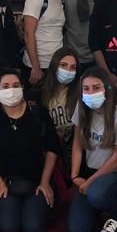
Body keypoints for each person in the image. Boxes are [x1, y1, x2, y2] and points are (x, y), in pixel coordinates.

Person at [0, 69, 60, 232]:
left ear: (22, 87)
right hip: (6, 182)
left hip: (36, 182)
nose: (11, 90)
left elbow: (52, 147)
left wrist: (45, 182)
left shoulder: (37, 111)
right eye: (5, 86)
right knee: (8, 227)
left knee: (34, 228)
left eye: (15, 85)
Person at [67, 67, 117, 232]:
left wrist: (90, 182)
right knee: (78, 231)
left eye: (96, 87)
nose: (91, 93)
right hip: (92, 171)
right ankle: (102, 209)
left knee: (96, 192)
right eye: (86, 89)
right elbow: (77, 143)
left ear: (106, 88)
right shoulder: (81, 108)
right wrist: (74, 175)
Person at [22, 0, 73, 90]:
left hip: (56, 64)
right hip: (38, 65)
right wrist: (35, 67)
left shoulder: (61, 1)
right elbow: (28, 34)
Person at [41, 48, 79, 178]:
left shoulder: (81, 92)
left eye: (73, 67)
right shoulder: (40, 93)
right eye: (63, 65)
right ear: (55, 65)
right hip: (50, 150)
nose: (68, 71)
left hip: (74, 150)